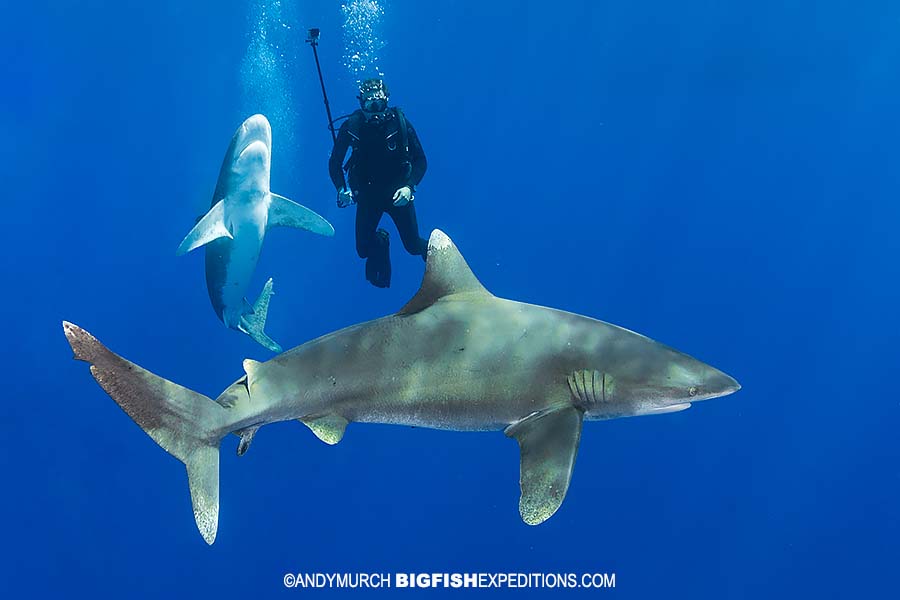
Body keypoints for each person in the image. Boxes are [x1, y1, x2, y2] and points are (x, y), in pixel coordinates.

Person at [329, 78, 428, 288]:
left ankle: (440, 252)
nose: (374, 109)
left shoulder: (399, 123)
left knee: (413, 246)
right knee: (363, 251)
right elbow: (334, 163)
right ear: (361, 103)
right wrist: (341, 189)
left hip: (398, 195)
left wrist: (409, 187)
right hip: (367, 196)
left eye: (378, 103)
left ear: (387, 100)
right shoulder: (352, 126)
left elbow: (421, 161)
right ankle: (381, 239)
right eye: (368, 103)